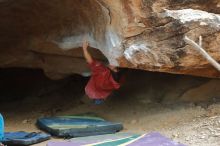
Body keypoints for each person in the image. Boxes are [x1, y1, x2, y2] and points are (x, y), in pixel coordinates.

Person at [82, 40, 124, 105]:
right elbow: (90, 60)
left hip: (113, 79)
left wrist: (84, 49)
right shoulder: (100, 71)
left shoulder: (100, 72)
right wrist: (84, 49)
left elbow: (90, 61)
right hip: (112, 78)